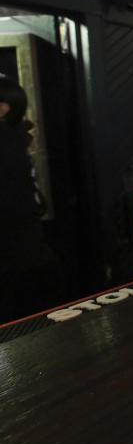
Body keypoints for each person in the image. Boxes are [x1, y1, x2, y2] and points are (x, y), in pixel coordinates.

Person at [0, 76, 63, 322]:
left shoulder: (6, 142)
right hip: (28, 252)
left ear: (3, 108)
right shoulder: (14, 140)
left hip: (12, 256)